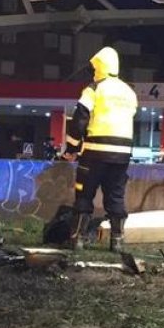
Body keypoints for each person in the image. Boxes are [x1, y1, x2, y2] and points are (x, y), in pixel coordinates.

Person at [63, 46, 138, 252]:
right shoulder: (129, 92)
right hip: (122, 154)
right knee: (115, 195)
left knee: (84, 194)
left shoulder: (94, 89)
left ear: (98, 68)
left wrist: (71, 147)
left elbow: (80, 119)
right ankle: (117, 241)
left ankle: (77, 238)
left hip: (95, 151)